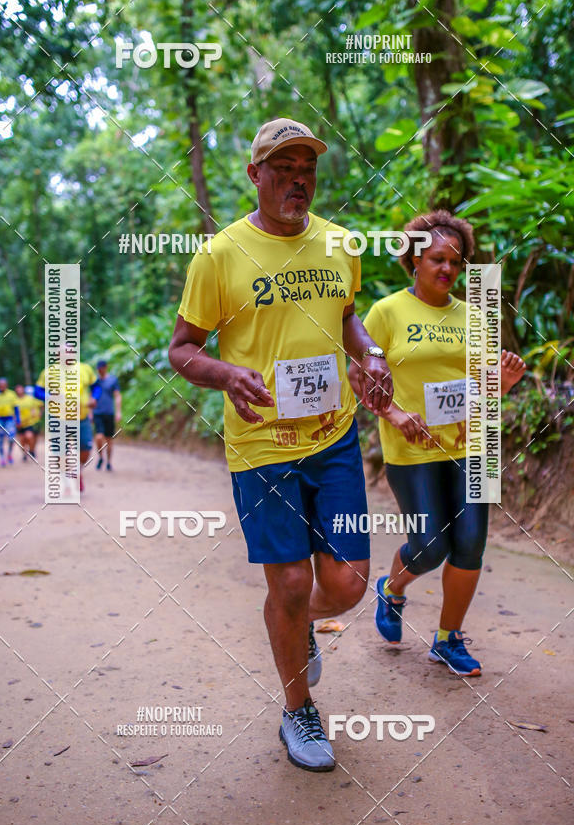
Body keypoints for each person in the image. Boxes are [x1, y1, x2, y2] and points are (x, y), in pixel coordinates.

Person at [169, 117, 393, 772]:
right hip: (263, 444)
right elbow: (182, 350)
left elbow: (349, 318)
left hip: (334, 437)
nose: (299, 180)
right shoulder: (220, 256)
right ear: (255, 175)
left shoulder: (340, 243)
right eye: (285, 169)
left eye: (309, 171)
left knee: (348, 585)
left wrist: (373, 356)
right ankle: (298, 711)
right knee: (293, 580)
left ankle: (291, 625)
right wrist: (225, 373)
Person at [349, 209, 526, 676]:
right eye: (437, 259)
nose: (447, 269)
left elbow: (485, 383)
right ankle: (392, 589)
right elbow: (359, 376)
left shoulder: (475, 315)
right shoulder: (386, 312)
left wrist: (504, 381)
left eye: (456, 261)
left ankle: (447, 639)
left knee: (470, 545)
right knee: (429, 546)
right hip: (412, 448)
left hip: (475, 444)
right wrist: (392, 411)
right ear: (414, 260)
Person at [35, 352, 99, 493]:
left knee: (86, 449)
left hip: (80, 417)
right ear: (58, 356)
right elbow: (37, 391)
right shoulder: (49, 372)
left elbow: (96, 386)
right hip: (58, 418)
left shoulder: (85, 369)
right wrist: (50, 396)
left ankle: (78, 470)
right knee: (60, 453)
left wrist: (94, 398)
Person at [93, 360, 121, 471]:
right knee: (99, 437)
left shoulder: (113, 380)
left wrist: (118, 411)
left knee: (109, 439)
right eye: (98, 369)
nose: (100, 371)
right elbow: (91, 396)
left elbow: (117, 395)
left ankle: (109, 462)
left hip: (109, 412)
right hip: (97, 412)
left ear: (105, 368)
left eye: (101, 369)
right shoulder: (95, 381)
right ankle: (100, 457)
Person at [14, 384, 43, 460]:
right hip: (20, 424)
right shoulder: (15, 401)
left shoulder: (30, 399)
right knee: (22, 441)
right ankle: (25, 454)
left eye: (21, 389)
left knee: (29, 436)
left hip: (30, 422)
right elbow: (13, 412)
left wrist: (38, 413)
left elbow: (37, 406)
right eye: (18, 390)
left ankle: (32, 450)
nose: (19, 391)